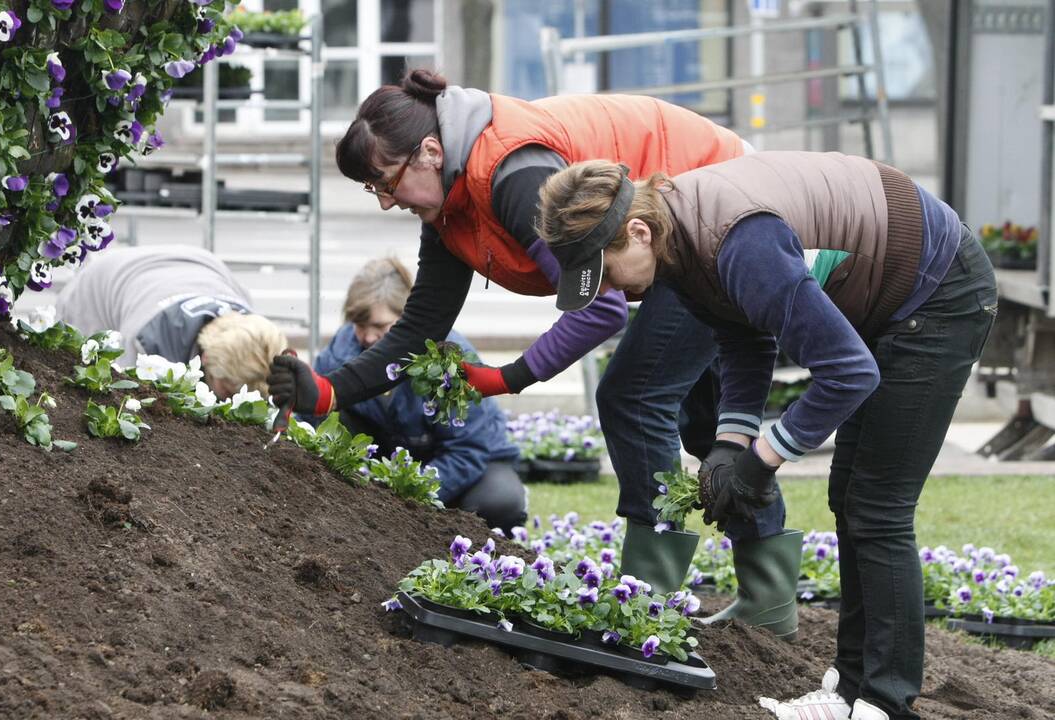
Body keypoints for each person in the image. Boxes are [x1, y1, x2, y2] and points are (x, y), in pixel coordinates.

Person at [267, 70, 795, 618]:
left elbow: (599, 305)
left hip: (716, 200)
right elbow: (420, 326)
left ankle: (648, 604)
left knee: (634, 398)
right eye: (372, 190)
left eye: (386, 182)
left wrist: (505, 378)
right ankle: (768, 602)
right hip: (686, 217)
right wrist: (328, 390)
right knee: (704, 419)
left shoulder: (512, 175)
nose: (384, 202)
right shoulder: (452, 199)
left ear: (428, 151)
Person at [536, 153, 996, 720]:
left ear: (635, 231)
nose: (610, 289)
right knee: (849, 498)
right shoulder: (677, 244)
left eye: (604, 271)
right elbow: (747, 334)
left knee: (877, 507)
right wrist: (732, 440)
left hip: (937, 292)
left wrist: (763, 459)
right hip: (892, 298)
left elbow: (849, 372)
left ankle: (883, 701)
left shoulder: (737, 240)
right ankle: (850, 686)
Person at [307, 257, 526, 531]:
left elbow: (468, 449)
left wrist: (410, 494)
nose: (367, 337)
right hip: (391, 458)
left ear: (408, 317)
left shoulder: (449, 358)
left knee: (499, 501)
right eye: (359, 325)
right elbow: (314, 416)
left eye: (380, 326)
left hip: (466, 462)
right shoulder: (342, 349)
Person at [56, 244, 287, 398]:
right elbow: (126, 401)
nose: (235, 397)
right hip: (98, 287)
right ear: (206, 358)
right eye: (228, 389)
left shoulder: (250, 324)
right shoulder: (146, 341)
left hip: (192, 263)